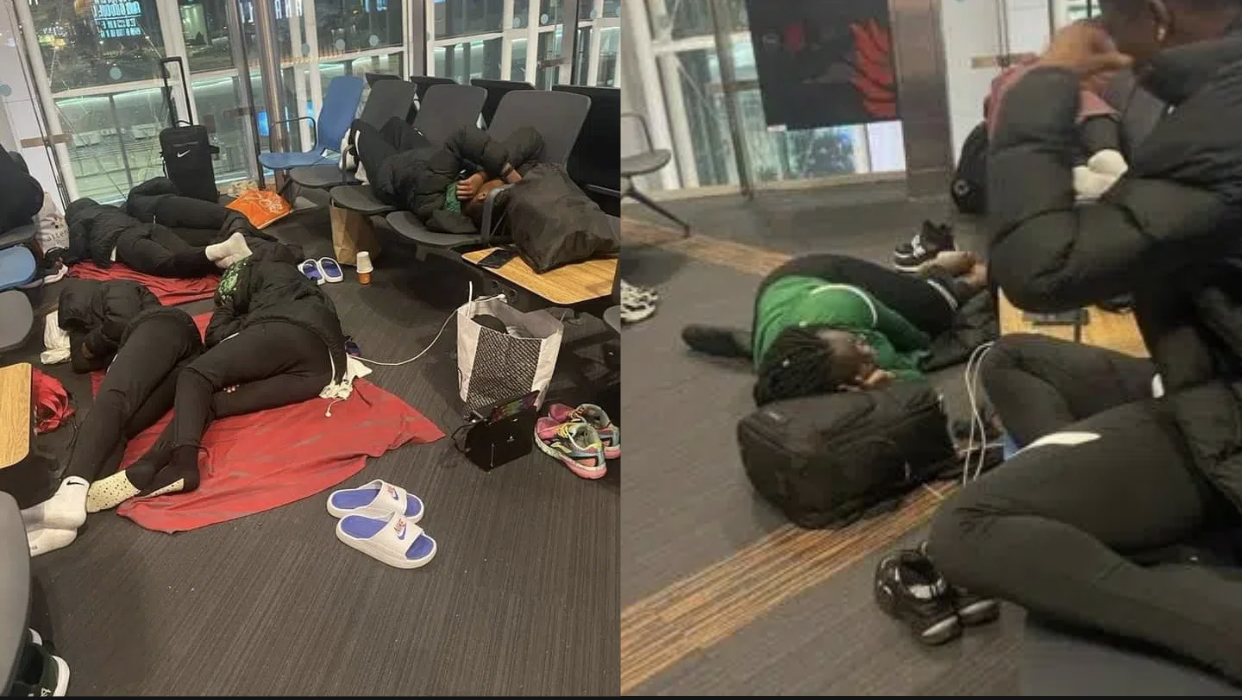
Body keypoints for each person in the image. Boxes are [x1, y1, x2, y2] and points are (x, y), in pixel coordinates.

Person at [925, 1, 1242, 685]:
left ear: (1156, 17)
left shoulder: (1224, 123)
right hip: (1204, 370)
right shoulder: (1214, 98)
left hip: (1227, 408)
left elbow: (1041, 269)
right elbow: (1173, 238)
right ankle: (1111, 509)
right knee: (1011, 358)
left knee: (967, 528)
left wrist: (1046, 78)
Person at [86, 255, 349, 509]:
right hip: (322, 372)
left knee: (195, 375)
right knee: (211, 402)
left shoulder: (244, 274)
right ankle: (150, 462)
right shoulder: (306, 288)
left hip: (285, 331)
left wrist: (231, 312)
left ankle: (184, 464)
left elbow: (215, 336)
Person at [681, 252, 991, 405]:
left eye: (860, 342)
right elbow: (912, 379)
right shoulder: (786, 373)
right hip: (780, 305)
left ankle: (947, 268)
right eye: (863, 356)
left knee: (935, 311)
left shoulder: (848, 307)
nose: (868, 348)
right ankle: (751, 341)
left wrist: (892, 370)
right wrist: (888, 385)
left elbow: (918, 343)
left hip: (820, 276)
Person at [23, 303, 205, 555]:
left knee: (112, 400)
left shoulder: (80, 294)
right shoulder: (86, 319)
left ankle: (69, 492)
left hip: (165, 323)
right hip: (186, 358)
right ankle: (62, 523)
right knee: (119, 426)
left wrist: (84, 335)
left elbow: (119, 315)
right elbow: (80, 362)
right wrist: (81, 334)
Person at [350, 119, 543, 234]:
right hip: (428, 157)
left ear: (482, 196)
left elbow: (463, 136)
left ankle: (356, 159)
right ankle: (371, 154)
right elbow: (531, 136)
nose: (502, 181)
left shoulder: (434, 199)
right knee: (396, 124)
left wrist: (485, 174)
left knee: (359, 127)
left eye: (500, 183)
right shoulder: (486, 208)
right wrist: (487, 175)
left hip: (391, 172)